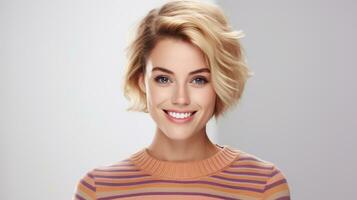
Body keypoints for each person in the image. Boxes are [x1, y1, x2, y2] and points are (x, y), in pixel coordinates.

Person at [73, 0, 291, 199]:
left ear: (220, 82)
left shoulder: (263, 184)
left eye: (198, 80)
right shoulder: (98, 189)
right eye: (163, 79)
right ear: (141, 81)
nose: (180, 98)